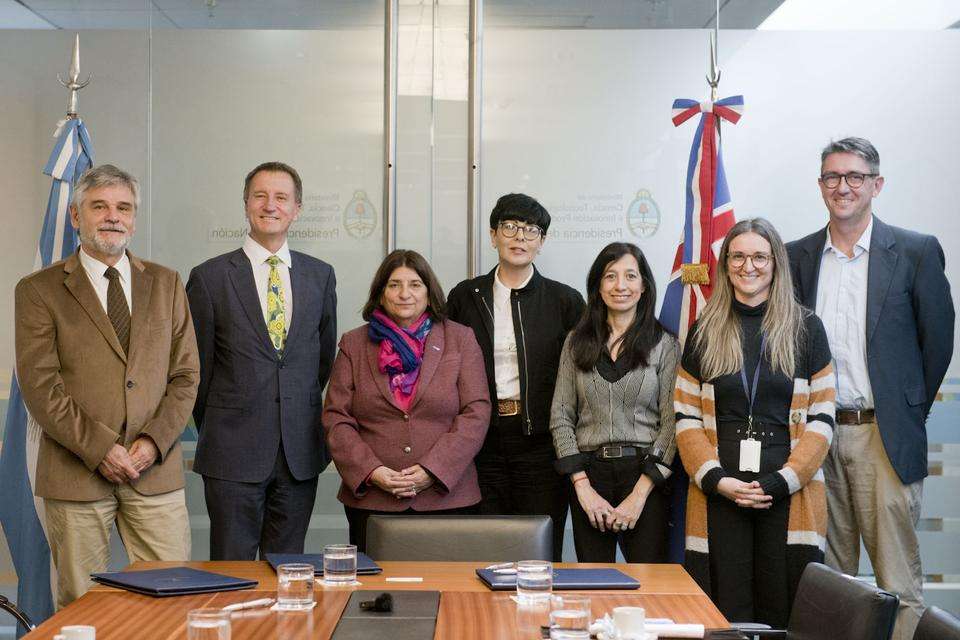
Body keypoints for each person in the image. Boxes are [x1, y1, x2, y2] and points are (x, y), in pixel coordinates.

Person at [787, 137, 954, 640]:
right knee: (830, 581)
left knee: (897, 581)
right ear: (821, 187)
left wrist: (905, 413)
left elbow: (937, 343)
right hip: (816, 438)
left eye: (855, 177)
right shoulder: (798, 256)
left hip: (883, 434)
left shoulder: (915, 251)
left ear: (875, 184)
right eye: (833, 177)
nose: (844, 187)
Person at [15, 164, 199, 608]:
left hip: (154, 470)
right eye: (99, 206)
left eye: (123, 207)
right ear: (76, 217)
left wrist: (153, 442)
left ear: (134, 219)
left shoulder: (167, 282)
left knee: (174, 596)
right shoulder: (39, 290)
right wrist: (101, 448)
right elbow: (40, 386)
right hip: (76, 471)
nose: (113, 216)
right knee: (83, 605)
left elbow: (186, 376)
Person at [675, 218, 835, 627]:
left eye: (760, 256)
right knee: (723, 611)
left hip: (787, 494)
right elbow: (686, 417)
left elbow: (821, 417)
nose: (749, 266)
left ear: (776, 263)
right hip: (720, 493)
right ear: (726, 264)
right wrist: (716, 480)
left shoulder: (807, 329)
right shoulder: (704, 331)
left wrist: (783, 480)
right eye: (739, 256)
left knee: (785, 609)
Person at [186, 161, 337, 560]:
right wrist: (224, 422)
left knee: (290, 573)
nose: (270, 205)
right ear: (246, 204)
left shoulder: (320, 276)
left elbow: (322, 360)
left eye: (281, 198)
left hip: (299, 452)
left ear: (297, 209)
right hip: (232, 451)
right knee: (231, 573)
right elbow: (196, 370)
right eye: (260, 196)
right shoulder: (210, 277)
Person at [322, 250, 490, 551]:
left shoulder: (460, 339)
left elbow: (476, 412)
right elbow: (337, 418)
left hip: (447, 498)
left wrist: (432, 470)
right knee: (374, 595)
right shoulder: (354, 344)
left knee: (451, 594)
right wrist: (373, 472)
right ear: (381, 293)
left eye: (414, 285)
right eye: (394, 285)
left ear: (429, 291)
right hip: (373, 500)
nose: (404, 294)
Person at [447, 193, 584, 561]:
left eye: (530, 230)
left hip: (541, 446)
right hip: (482, 444)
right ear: (493, 236)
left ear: (542, 242)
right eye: (510, 227)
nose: (519, 237)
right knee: (485, 550)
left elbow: (582, 378)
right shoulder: (465, 296)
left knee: (539, 553)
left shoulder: (564, 301)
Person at [549, 242, 679, 562]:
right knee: (594, 585)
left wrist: (638, 496)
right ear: (598, 285)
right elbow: (561, 416)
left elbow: (672, 422)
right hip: (589, 474)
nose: (620, 285)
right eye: (610, 276)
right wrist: (582, 487)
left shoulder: (665, 344)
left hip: (645, 475)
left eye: (630, 276)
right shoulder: (576, 342)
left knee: (649, 585)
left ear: (644, 285)